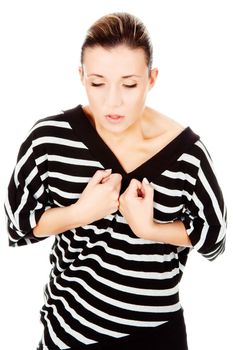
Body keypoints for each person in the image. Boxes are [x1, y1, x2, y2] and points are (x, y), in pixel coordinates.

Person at [4, 12, 226, 350]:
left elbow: (214, 240)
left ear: (151, 79)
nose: (113, 101)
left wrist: (149, 228)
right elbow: (17, 225)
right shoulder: (48, 140)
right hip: (69, 333)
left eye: (129, 84)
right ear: (81, 77)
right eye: (97, 83)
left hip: (157, 335)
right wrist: (79, 213)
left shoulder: (188, 154)